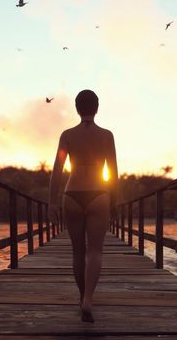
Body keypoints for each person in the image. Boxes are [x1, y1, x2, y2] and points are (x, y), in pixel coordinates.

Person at [48, 89, 118, 323]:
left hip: (72, 194)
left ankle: (81, 297)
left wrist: (51, 201)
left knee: (78, 251)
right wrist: (114, 201)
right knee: (95, 250)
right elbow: (113, 172)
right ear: (97, 108)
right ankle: (88, 298)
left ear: (77, 109)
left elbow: (57, 171)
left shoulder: (67, 135)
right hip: (99, 193)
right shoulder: (107, 135)